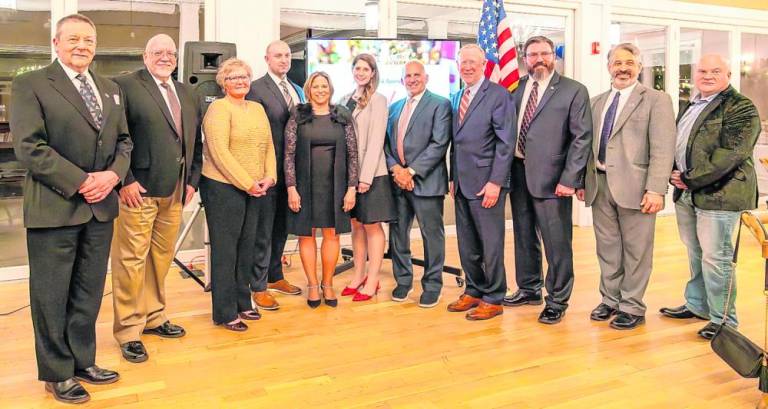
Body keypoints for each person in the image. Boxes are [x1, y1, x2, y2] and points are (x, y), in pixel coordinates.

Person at [10, 14, 131, 404]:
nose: (82, 46)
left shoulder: (110, 88)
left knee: (88, 292)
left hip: (100, 210)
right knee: (51, 295)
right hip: (55, 206)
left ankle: (83, 360)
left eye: (89, 40)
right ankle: (57, 372)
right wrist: (82, 181)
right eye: (74, 39)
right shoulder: (31, 84)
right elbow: (29, 147)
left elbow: (125, 142)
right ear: (56, 43)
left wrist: (111, 177)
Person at [110, 34, 203, 363]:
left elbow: (195, 141)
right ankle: (128, 330)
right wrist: (125, 180)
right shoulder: (125, 85)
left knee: (160, 258)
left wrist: (192, 180)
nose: (165, 57)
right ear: (144, 55)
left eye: (170, 52)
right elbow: (114, 137)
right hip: (138, 190)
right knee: (131, 261)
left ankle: (154, 316)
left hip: (176, 190)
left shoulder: (187, 92)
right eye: (158, 52)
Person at [660, 54, 761, 340]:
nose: (707, 75)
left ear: (728, 74)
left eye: (715, 71)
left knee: (717, 258)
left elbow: (730, 155)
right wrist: (672, 172)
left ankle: (724, 321)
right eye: (702, 70)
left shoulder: (740, 106)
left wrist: (688, 177)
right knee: (696, 253)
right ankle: (698, 305)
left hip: (721, 194)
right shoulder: (691, 104)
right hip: (687, 194)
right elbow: (679, 143)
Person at [576, 43, 676, 330]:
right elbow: (587, 147)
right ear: (608, 66)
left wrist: (656, 189)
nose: (623, 68)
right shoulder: (596, 102)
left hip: (637, 187)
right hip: (600, 184)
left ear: (639, 67)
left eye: (629, 62)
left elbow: (663, 148)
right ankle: (609, 299)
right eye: (617, 62)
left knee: (636, 249)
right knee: (607, 247)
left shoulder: (656, 100)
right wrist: (585, 181)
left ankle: (632, 305)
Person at [503, 35, 592, 325]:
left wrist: (570, 178)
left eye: (544, 53)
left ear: (554, 56)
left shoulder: (573, 90)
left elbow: (581, 138)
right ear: (524, 58)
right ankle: (529, 288)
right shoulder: (517, 90)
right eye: (532, 55)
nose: (539, 59)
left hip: (554, 179)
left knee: (557, 242)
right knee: (524, 235)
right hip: (518, 172)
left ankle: (557, 299)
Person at [200, 58, 276, 332]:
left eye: (244, 76)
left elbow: (268, 145)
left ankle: (244, 302)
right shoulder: (218, 109)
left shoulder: (256, 108)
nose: (240, 82)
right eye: (233, 78)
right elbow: (220, 153)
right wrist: (247, 183)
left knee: (247, 247)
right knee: (226, 251)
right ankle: (224, 311)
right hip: (223, 189)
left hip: (256, 188)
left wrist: (270, 176)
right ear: (223, 83)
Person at [446, 44, 515, 321]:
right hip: (462, 182)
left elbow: (505, 142)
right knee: (467, 242)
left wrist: (496, 182)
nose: (468, 67)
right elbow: (457, 143)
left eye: (473, 62)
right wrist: (452, 177)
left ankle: (494, 296)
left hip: (487, 183)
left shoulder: (498, 96)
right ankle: (473, 289)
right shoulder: (457, 96)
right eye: (463, 63)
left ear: (484, 64)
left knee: (490, 242)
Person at [284, 71, 359, 308]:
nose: (320, 90)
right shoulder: (298, 114)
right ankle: (313, 285)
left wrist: (351, 188)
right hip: (304, 185)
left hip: (335, 186)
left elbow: (353, 153)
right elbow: (288, 153)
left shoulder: (342, 115)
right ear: (308, 90)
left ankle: (328, 284)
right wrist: (291, 187)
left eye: (324, 86)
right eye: (315, 86)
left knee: (331, 234)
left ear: (330, 89)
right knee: (306, 235)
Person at [385, 60, 451, 308]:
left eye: (417, 75)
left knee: (431, 236)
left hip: (426, 182)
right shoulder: (394, 107)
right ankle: (403, 280)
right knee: (398, 235)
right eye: (408, 76)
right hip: (398, 183)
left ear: (426, 77)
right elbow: (387, 144)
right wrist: (397, 171)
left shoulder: (440, 104)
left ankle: (433, 285)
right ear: (402, 80)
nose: (412, 79)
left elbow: (439, 144)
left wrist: (411, 172)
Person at [245, 40, 306, 310]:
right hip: (266, 171)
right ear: (266, 58)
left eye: (287, 55)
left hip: (291, 172)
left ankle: (275, 276)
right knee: (263, 230)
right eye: (278, 55)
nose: (283, 60)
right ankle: (257, 286)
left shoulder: (297, 89)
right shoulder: (255, 88)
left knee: (282, 226)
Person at [339, 53, 396, 302]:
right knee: (356, 225)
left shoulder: (378, 100)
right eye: (357, 68)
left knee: (372, 226)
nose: (361, 72)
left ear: (373, 73)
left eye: (366, 69)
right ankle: (358, 274)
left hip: (371, 174)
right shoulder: (344, 100)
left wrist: (365, 178)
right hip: (349, 174)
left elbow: (375, 141)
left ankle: (373, 279)